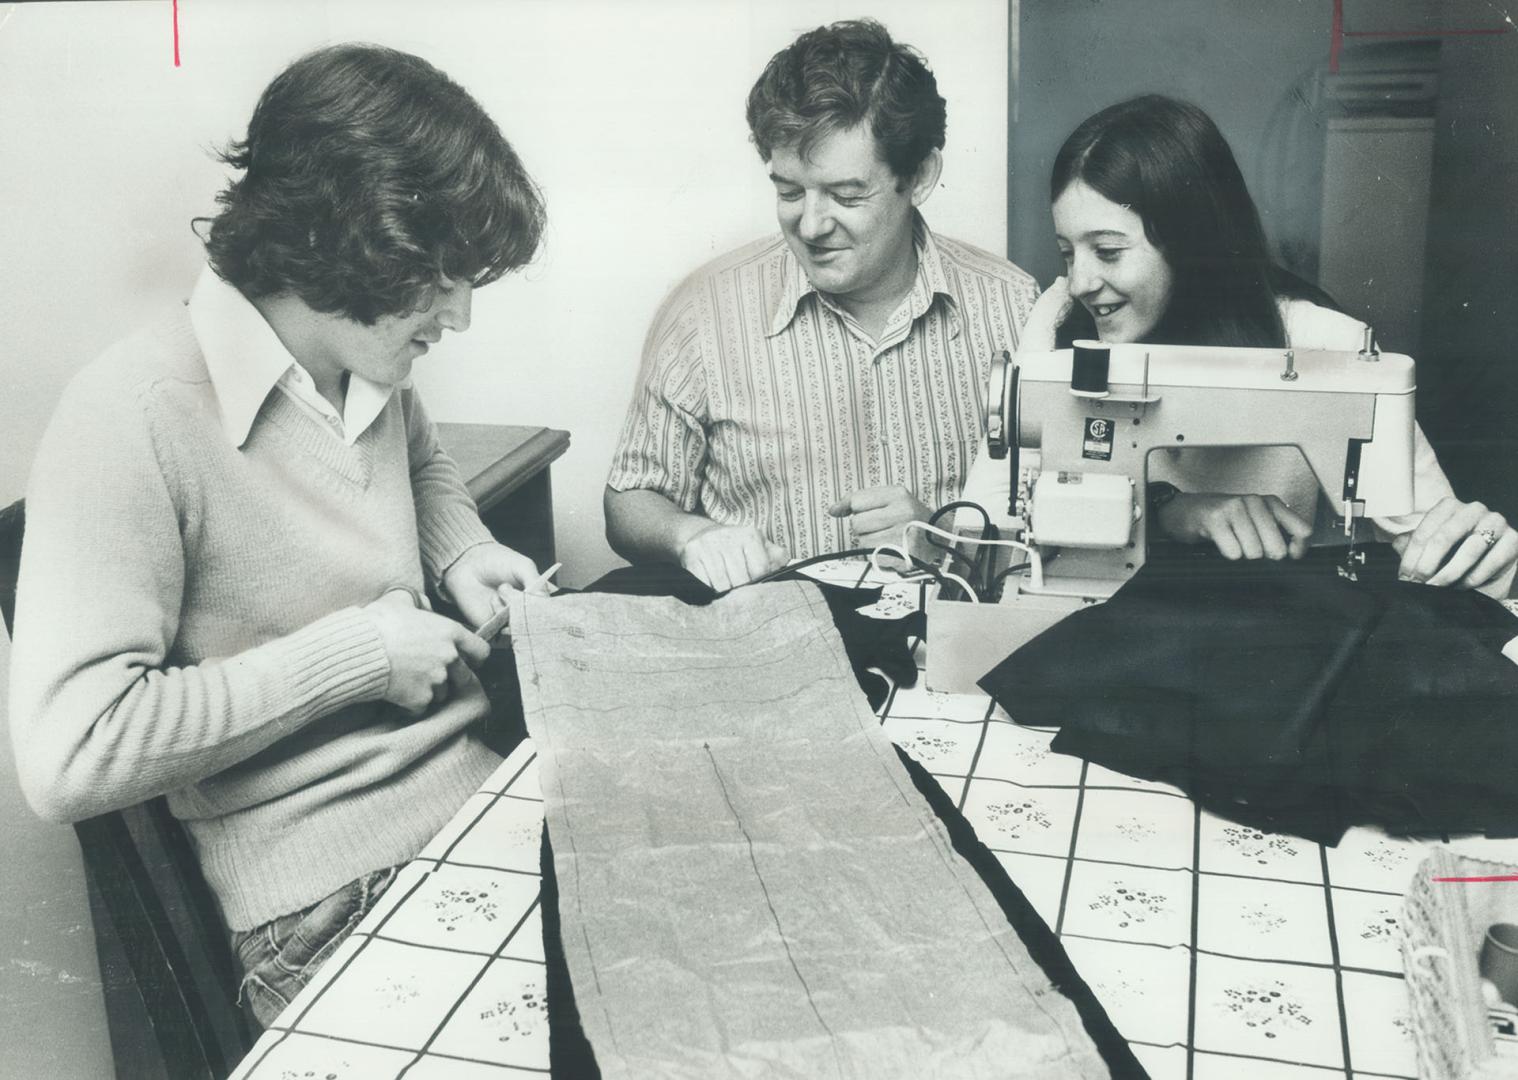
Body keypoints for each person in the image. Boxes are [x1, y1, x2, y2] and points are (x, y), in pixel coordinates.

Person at [9, 44, 550, 1027]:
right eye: (443, 280)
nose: (462, 316)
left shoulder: (364, 359)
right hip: (328, 897)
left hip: (483, 794)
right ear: (347, 243)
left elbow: (420, 463)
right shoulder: (129, 416)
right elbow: (67, 753)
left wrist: (461, 550)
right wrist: (357, 656)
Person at [981, 94, 1516, 596]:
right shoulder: (1056, 330)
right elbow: (989, 533)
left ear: (1190, 243)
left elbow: (1433, 540)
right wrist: (1169, 510)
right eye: (1068, 253)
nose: (1080, 282)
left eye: (1108, 251)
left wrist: (1474, 550)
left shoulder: (1327, 345)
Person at [604, 18, 1039, 592]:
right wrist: (691, 536)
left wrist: (940, 538)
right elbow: (629, 498)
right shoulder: (703, 312)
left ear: (922, 175)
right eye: (788, 191)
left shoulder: (1015, 308)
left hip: (953, 651)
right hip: (764, 652)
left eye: (846, 195)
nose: (810, 225)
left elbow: (1054, 525)